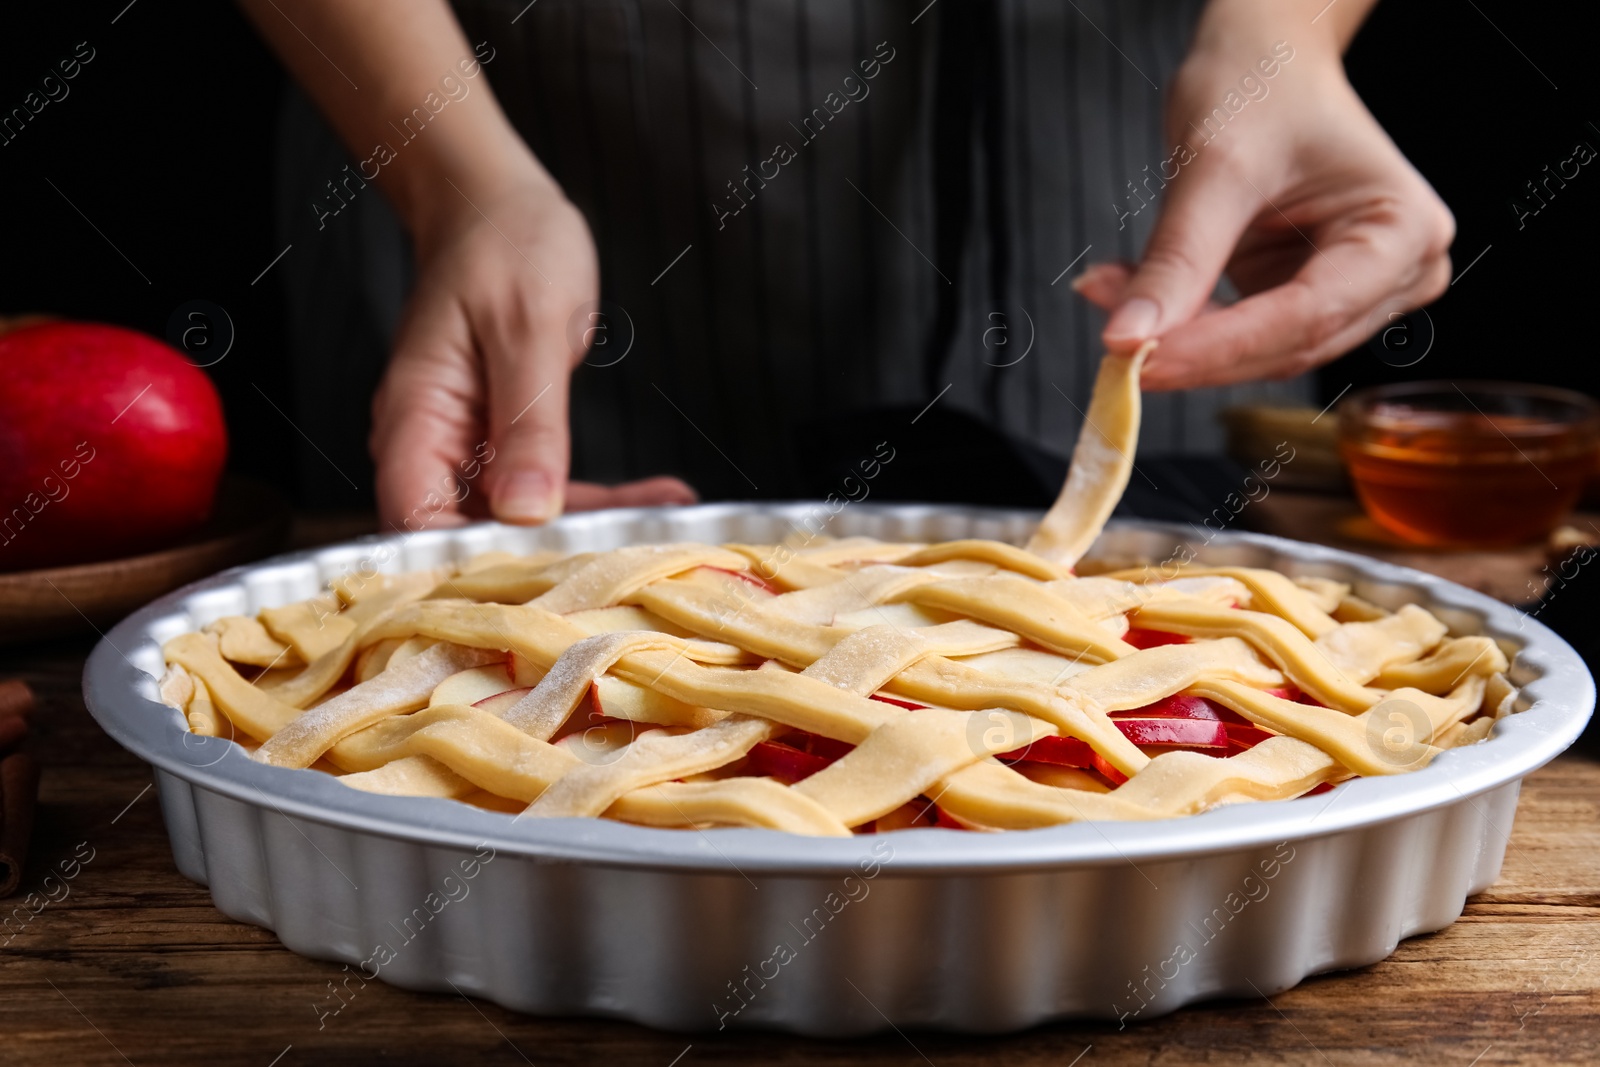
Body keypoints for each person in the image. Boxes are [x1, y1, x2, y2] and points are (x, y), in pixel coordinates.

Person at [245, 0, 1452, 527]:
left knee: (1171, 671)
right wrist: (457, 183)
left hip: (1126, 143)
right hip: (508, 120)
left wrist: (1285, 35)